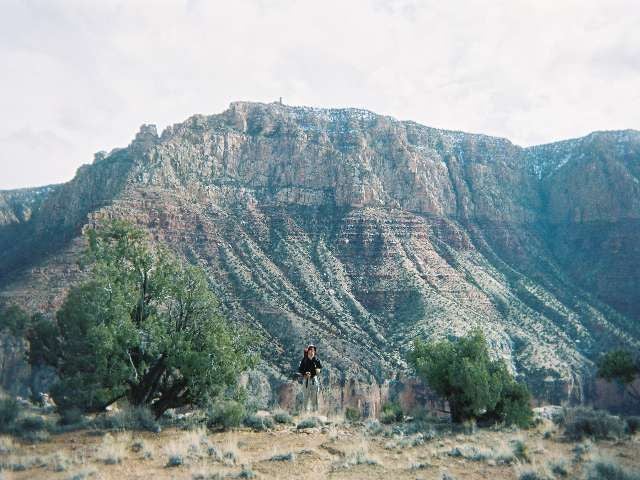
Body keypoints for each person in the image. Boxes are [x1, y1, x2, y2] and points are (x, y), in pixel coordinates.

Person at [298, 344, 322, 412]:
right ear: (308, 351)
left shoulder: (317, 360)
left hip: (314, 379)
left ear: (315, 352)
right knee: (306, 397)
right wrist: (305, 374)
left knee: (315, 397)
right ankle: (306, 412)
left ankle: (314, 413)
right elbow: (300, 370)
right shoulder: (304, 360)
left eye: (313, 350)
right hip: (306, 380)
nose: (312, 352)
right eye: (310, 350)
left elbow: (320, 368)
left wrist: (318, 370)